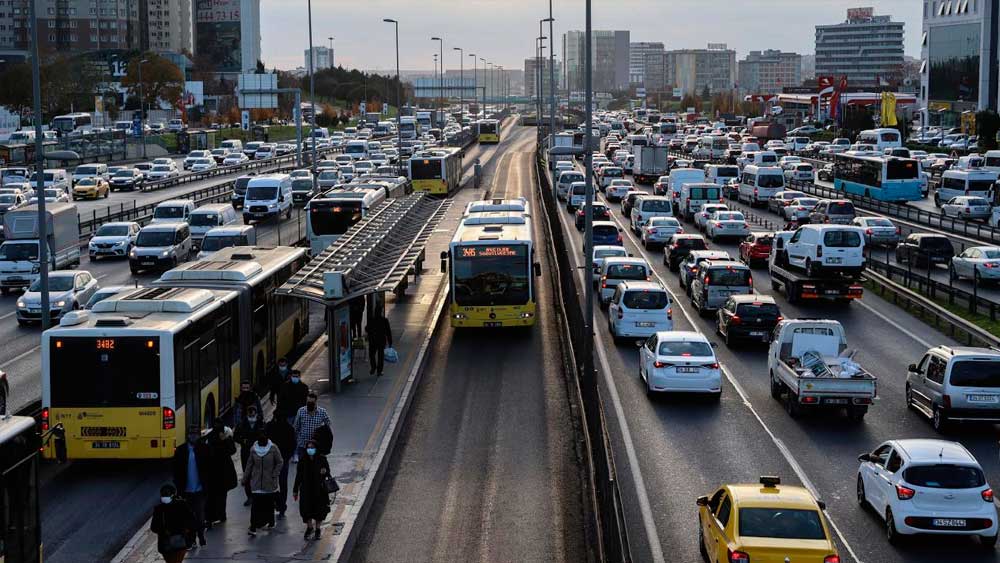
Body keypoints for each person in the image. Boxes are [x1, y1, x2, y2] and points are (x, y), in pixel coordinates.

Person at [171, 427, 209, 547]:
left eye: (196, 434)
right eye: (191, 434)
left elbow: (210, 468)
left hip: (200, 490)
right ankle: (191, 539)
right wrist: (177, 486)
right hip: (186, 491)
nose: (193, 436)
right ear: (187, 436)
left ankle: (201, 535)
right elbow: (175, 470)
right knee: (188, 517)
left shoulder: (204, 449)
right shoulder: (181, 450)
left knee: (200, 516)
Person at [242, 429, 283, 536]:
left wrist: (275, 474)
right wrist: (245, 478)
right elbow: (249, 465)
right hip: (256, 483)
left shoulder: (273, 448)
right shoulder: (253, 449)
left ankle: (271, 521)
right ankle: (253, 527)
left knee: (269, 504)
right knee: (255, 506)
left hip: (269, 483)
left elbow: (280, 462)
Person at [292, 439, 331, 541]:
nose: (310, 449)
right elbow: (298, 476)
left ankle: (318, 529)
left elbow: (328, 473)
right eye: (308, 448)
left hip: (319, 490)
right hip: (306, 490)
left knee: (320, 510)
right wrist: (295, 490)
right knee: (306, 510)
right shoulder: (303, 460)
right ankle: (309, 527)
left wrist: (324, 472)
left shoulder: (322, 459)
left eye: (312, 448)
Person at [204, 420, 238, 527]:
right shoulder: (210, 437)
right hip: (215, 471)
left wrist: (225, 440)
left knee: (219, 495)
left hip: (221, 471)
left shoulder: (226, 436)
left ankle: (219, 515)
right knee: (215, 496)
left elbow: (232, 450)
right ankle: (212, 517)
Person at [151, 483, 196, 563]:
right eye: (163, 494)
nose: (164, 497)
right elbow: (154, 527)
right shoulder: (181, 505)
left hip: (170, 543)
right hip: (173, 543)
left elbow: (154, 527)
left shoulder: (160, 509)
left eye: (166, 494)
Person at [265, 413, 297, 518]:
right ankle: (282, 506)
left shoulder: (269, 427)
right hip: (283, 460)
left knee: (270, 484)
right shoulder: (289, 428)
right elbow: (293, 444)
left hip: (271, 460)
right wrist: (288, 456)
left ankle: (272, 505)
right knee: (283, 484)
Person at [234, 404, 265, 506]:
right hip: (246, 452)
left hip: (259, 452)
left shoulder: (261, 423)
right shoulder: (242, 424)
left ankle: (258, 495)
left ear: (256, 413)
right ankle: (250, 496)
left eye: (253, 411)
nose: (251, 414)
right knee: (247, 474)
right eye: (250, 412)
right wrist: (243, 441)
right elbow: (236, 436)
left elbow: (266, 435)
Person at [293, 392, 331, 460]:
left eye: (312, 402)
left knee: (316, 467)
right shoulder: (301, 411)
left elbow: (328, 426)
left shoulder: (322, 412)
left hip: (316, 446)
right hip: (303, 445)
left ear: (316, 402)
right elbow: (296, 427)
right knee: (302, 467)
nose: (309, 404)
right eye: (308, 402)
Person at [365, 311, 393, 377]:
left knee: (372, 354)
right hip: (381, 341)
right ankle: (379, 371)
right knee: (380, 356)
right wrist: (390, 341)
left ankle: (373, 367)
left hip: (373, 340)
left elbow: (367, 328)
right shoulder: (384, 320)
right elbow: (388, 331)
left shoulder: (371, 320)